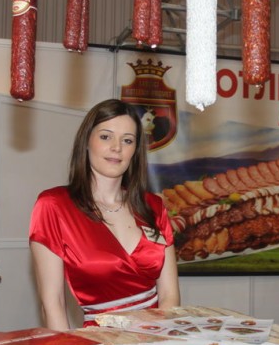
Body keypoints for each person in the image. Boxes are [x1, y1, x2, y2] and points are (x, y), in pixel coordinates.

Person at [29, 99, 180, 330]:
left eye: (127, 140)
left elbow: (170, 295)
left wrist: (154, 340)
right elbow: (53, 304)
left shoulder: (153, 206)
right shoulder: (54, 206)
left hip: (156, 340)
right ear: (86, 141)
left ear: (135, 151)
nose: (117, 147)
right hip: (99, 343)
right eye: (106, 136)